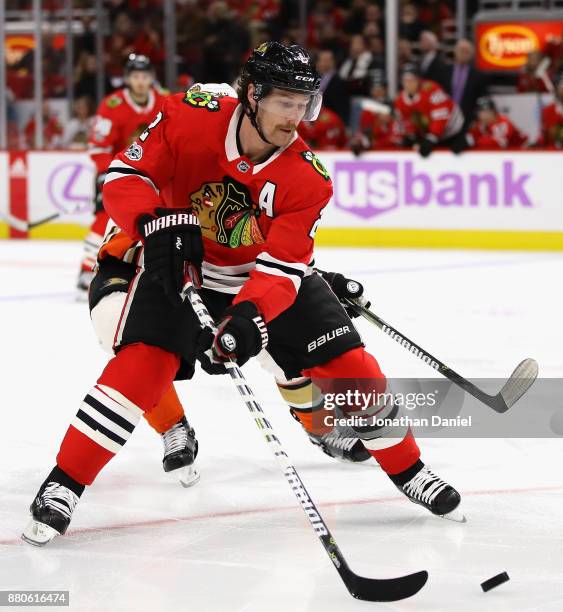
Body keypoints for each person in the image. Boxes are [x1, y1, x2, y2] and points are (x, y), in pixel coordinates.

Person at [23, 42, 460, 547]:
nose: (297, 118)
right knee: (139, 366)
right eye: (286, 103)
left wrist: (252, 313)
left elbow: (282, 265)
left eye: (305, 105)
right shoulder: (190, 118)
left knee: (353, 368)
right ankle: (64, 484)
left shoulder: (308, 177)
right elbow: (124, 175)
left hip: (260, 278)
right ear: (252, 95)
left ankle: (410, 471)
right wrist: (154, 222)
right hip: (186, 269)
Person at [76, 54, 167, 298]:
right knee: (103, 220)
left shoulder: (164, 101)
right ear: (127, 79)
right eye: (135, 76)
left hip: (153, 176)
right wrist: (108, 173)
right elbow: (98, 147)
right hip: (119, 175)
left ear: (151, 78)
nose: (140, 81)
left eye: (145, 76)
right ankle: (86, 270)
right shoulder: (112, 105)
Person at [394, 63, 467, 157]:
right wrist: (413, 136)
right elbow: (406, 121)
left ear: (418, 80)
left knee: (455, 150)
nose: (408, 84)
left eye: (412, 80)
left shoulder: (431, 89)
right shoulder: (400, 101)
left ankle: (466, 139)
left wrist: (431, 138)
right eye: (405, 81)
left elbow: (440, 116)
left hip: (453, 129)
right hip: (431, 132)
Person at [447, 39, 488, 130]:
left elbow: (482, 98)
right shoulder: (444, 71)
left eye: (467, 51)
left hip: (467, 120)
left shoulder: (478, 75)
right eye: (461, 50)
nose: (463, 54)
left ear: (471, 55)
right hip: (446, 117)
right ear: (455, 52)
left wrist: (475, 119)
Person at [538, 73, 563, 148]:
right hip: (553, 152)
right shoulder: (549, 110)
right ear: (556, 88)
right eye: (561, 86)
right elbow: (553, 134)